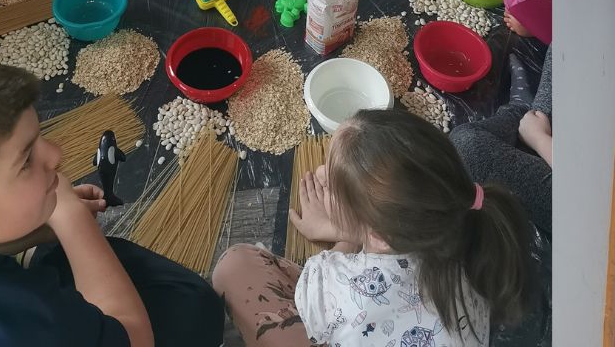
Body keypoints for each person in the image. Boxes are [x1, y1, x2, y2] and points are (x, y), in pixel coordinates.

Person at [0, 63, 222, 345]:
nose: (56, 155)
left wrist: (36, 231)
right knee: (194, 303)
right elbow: (136, 338)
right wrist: (71, 218)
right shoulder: (14, 326)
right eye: (25, 161)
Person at [214, 109, 540, 347]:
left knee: (234, 266)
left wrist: (342, 240)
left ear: (379, 237)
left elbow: (320, 306)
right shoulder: (471, 231)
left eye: (335, 182)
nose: (323, 174)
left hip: (346, 308)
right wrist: (356, 228)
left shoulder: (338, 283)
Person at [450, 0, 553, 239]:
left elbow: (591, 182)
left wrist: (540, 138)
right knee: (569, 42)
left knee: (464, 148)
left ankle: (521, 113)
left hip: (581, 195)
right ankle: (526, 116)